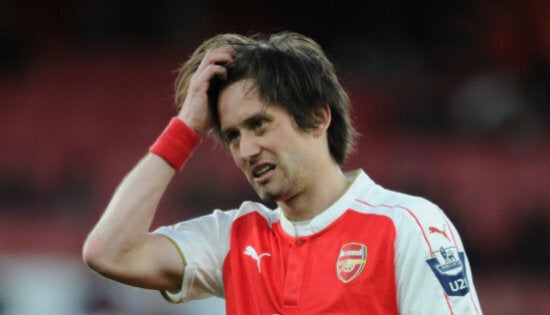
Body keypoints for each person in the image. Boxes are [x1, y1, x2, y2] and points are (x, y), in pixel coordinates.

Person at [82, 31, 483, 314]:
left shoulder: (408, 226)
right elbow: (109, 253)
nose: (246, 150)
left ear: (317, 117)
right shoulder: (234, 238)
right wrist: (185, 130)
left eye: (259, 125)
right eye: (234, 135)